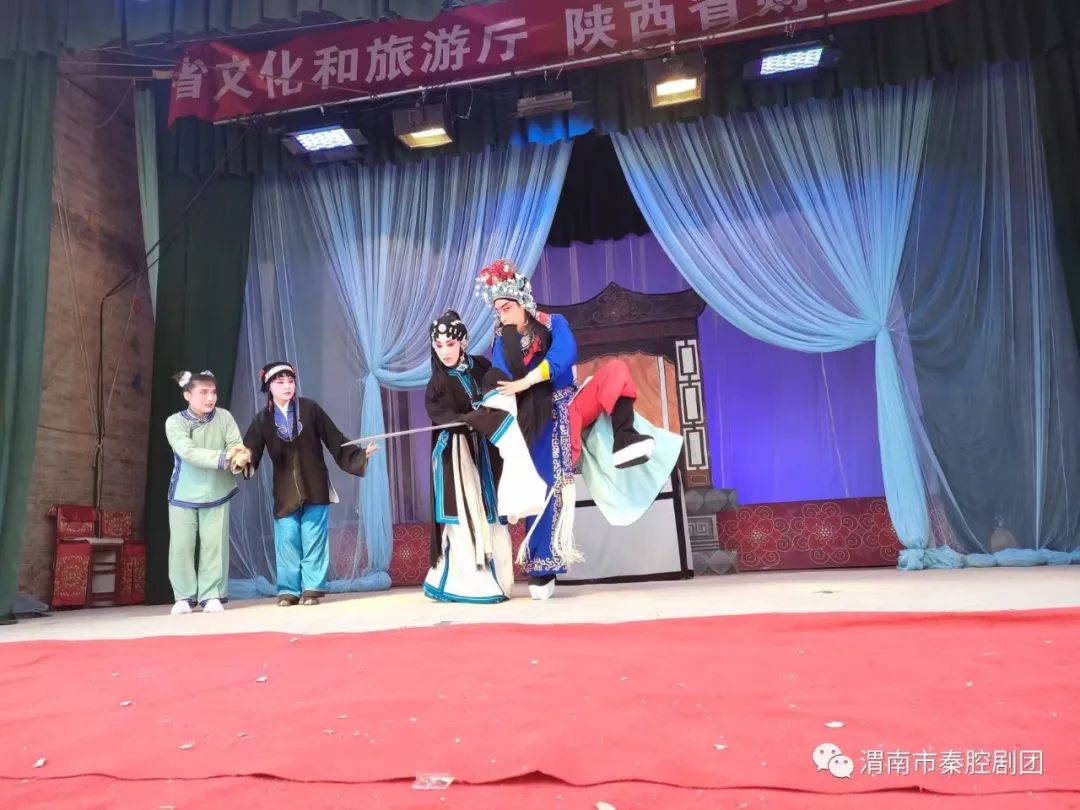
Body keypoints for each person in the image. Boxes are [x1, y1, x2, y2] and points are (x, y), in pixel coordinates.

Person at [476, 258, 680, 599]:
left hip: (568, 404)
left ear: (522, 301)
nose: (503, 315)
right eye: (498, 310)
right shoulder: (502, 340)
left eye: (507, 307)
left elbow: (565, 355)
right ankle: (542, 566)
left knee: (615, 371)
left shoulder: (553, 323)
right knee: (545, 486)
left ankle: (625, 438)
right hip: (536, 418)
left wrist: (530, 378)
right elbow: (503, 378)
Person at [423, 310, 547, 602]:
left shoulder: (481, 366)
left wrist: (491, 410)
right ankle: (468, 585)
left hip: (486, 451)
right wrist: (472, 418)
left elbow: (498, 391)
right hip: (457, 455)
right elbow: (443, 417)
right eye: (439, 346)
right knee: (466, 515)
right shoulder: (437, 383)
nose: (445, 351)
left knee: (492, 511)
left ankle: (498, 581)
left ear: (462, 342)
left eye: (450, 344)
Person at [240, 362, 378, 607]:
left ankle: (312, 589)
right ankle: (289, 591)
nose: (287, 386)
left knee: (314, 537)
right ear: (269, 387)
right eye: (280, 382)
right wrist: (244, 458)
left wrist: (358, 455)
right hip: (284, 489)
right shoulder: (262, 419)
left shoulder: (310, 409)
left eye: (290, 381)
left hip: (314, 483)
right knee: (287, 539)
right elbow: (251, 450)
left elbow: (334, 438)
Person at [164, 370, 248, 615]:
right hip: (184, 491)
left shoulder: (224, 417)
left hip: (217, 489)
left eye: (213, 392)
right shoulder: (174, 422)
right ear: (187, 395)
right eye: (203, 392)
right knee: (181, 546)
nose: (210, 398)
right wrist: (224, 458)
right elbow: (188, 452)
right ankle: (183, 596)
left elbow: (236, 444)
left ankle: (211, 595)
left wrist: (240, 456)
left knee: (214, 545)